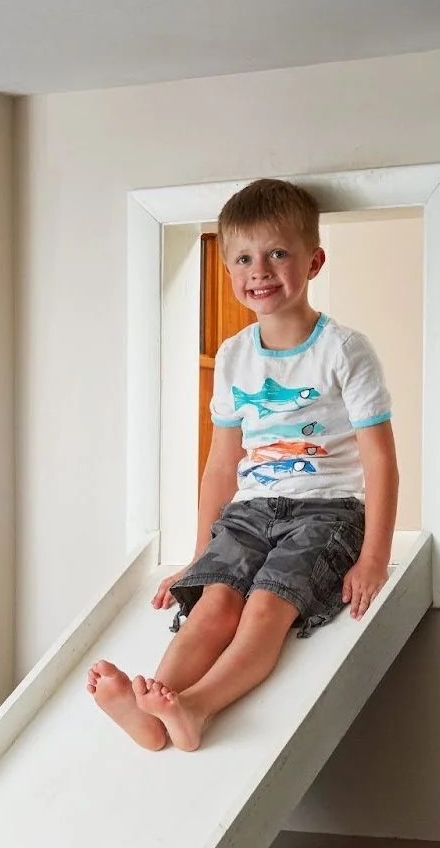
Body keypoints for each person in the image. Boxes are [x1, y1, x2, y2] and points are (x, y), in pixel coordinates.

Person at [89, 177, 399, 751]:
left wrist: (374, 557)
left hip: (325, 513)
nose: (261, 269)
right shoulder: (234, 356)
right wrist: (200, 554)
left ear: (314, 261)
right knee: (214, 604)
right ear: (230, 271)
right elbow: (220, 465)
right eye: (244, 258)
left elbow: (380, 457)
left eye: (278, 253)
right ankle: (151, 714)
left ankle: (197, 708)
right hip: (249, 512)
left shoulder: (344, 350)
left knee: (263, 610)